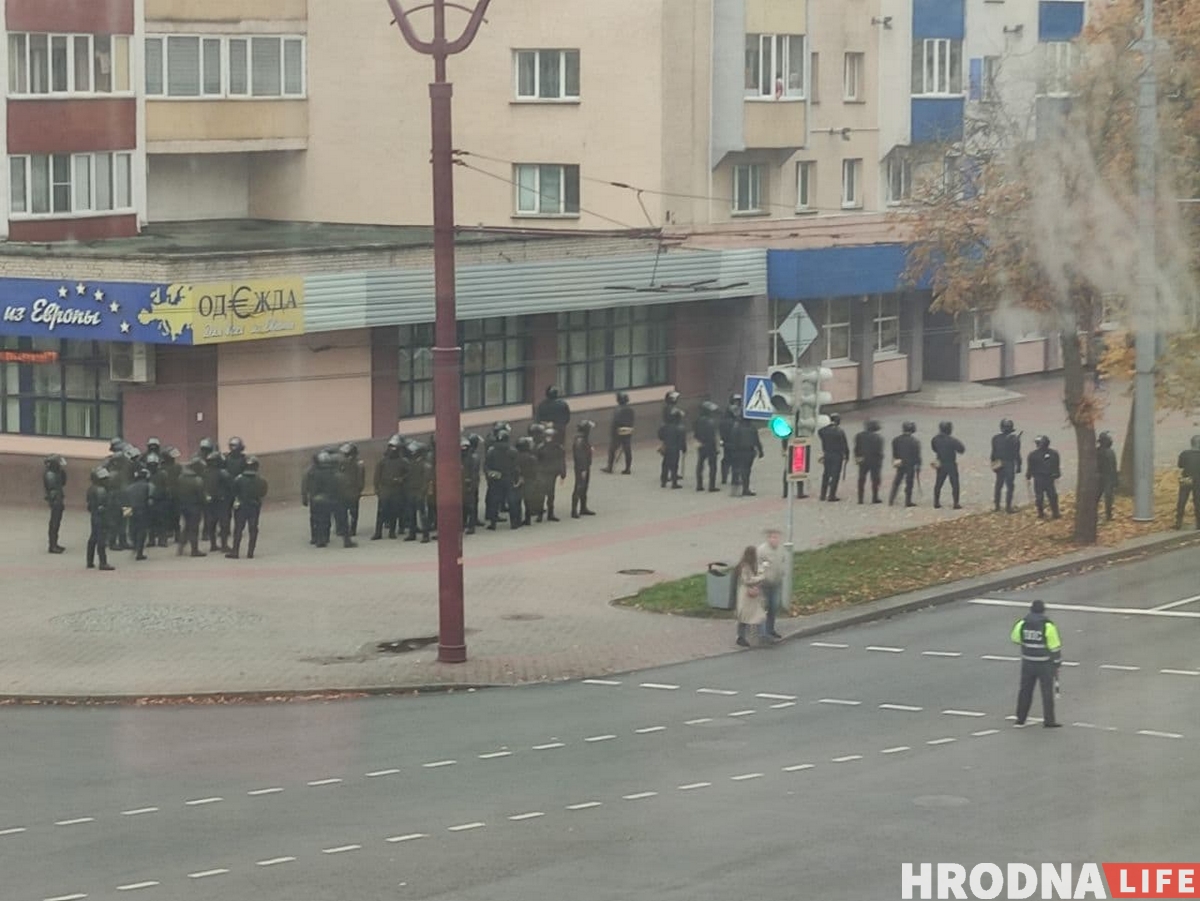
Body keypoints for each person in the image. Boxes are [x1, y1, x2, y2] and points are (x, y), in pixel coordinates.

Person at [1010, 600, 1062, 728]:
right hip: (1044, 664)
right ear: (1043, 610)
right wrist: (1057, 662)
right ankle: (1049, 720)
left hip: (1028, 662)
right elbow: (1054, 646)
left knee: (1025, 691)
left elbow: (1015, 638)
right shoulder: (1048, 626)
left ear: (1031, 610)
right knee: (1046, 692)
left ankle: (1020, 718)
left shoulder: (1022, 623)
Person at [226, 456, 268, 559]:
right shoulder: (261, 480)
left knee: (238, 529)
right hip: (254, 506)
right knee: (253, 529)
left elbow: (233, 491)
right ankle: (250, 552)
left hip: (241, 507)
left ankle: (235, 551)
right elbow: (263, 493)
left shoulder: (239, 479)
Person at [372, 435, 406, 540]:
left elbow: (408, 473)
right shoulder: (382, 461)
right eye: (391, 447)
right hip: (385, 489)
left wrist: (401, 479)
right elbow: (377, 476)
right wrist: (377, 489)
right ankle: (378, 532)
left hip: (396, 490)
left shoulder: (402, 461)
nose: (393, 450)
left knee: (394, 512)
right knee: (381, 512)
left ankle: (392, 532)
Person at [484, 429, 517, 530]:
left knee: (494, 501)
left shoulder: (491, 450)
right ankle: (514, 523)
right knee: (512, 500)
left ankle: (493, 523)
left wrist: (490, 474)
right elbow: (516, 466)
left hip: (496, 479)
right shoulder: (512, 451)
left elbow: (486, 466)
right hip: (509, 478)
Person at [756, 528, 786, 640]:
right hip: (764, 584)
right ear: (768, 538)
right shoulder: (762, 550)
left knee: (773, 607)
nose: (775, 540)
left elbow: (782, 562)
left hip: (776, 583)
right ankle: (762, 633)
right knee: (764, 608)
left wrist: (782, 573)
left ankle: (770, 629)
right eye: (772, 537)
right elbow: (758, 566)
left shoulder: (780, 549)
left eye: (777, 537)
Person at [734, 545, 765, 648]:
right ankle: (742, 637)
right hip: (746, 595)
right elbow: (747, 580)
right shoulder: (745, 567)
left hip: (748, 594)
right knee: (746, 617)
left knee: (752, 615)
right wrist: (759, 578)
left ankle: (758, 635)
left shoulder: (749, 565)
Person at [176, 457, 207, 557]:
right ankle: (194, 550)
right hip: (195, 507)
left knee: (186, 527)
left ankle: (181, 546)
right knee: (194, 528)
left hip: (183, 506)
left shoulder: (181, 477)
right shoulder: (198, 480)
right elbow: (201, 496)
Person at [85, 467, 116, 571]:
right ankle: (103, 562)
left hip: (94, 516)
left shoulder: (91, 488)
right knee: (101, 540)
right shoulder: (101, 490)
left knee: (93, 538)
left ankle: (89, 561)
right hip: (101, 517)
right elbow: (103, 506)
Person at [930, 421, 965, 509]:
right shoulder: (952, 440)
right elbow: (961, 449)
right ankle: (956, 503)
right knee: (954, 483)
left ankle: (936, 502)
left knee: (938, 483)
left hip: (940, 463)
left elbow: (934, 448)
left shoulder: (935, 439)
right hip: (951, 463)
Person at [991, 418, 1022, 513]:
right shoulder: (1014, 440)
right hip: (1009, 463)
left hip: (999, 462)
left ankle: (997, 506)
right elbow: (1017, 454)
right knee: (1010, 486)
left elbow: (993, 453)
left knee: (998, 484)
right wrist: (1019, 465)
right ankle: (1008, 507)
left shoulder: (995, 438)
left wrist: (993, 464)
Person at [1026, 436, 1061, 520]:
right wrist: (1057, 474)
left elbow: (1030, 467)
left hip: (1039, 478)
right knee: (1052, 495)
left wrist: (1028, 476)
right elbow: (1056, 466)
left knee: (1039, 496)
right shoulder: (1054, 453)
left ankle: (1041, 513)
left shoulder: (1033, 454)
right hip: (1049, 478)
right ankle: (1055, 513)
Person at [817, 413, 850, 501]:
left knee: (826, 474)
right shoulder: (839, 431)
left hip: (827, 454)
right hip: (837, 455)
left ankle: (823, 494)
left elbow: (819, 433)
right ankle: (831, 495)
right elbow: (844, 445)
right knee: (835, 475)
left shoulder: (823, 430)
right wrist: (847, 455)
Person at [125, 466, 155, 561]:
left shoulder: (129, 487)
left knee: (132, 529)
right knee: (142, 531)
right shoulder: (149, 486)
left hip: (130, 510)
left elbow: (125, 502)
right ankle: (139, 552)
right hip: (142, 510)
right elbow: (151, 501)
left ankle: (134, 545)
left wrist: (126, 515)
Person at [888, 421, 921, 507]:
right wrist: (918, 465)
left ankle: (891, 499)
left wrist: (896, 460)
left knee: (897, 481)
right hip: (910, 464)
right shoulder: (914, 441)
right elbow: (917, 455)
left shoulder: (896, 440)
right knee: (909, 483)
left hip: (900, 463)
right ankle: (908, 501)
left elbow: (894, 452)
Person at [731, 416, 764, 496]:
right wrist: (760, 451)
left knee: (741, 469)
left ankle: (740, 488)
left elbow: (734, 440)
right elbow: (757, 440)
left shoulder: (737, 428)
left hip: (740, 451)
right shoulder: (752, 427)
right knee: (747, 470)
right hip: (750, 451)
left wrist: (733, 451)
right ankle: (745, 488)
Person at [538, 427, 567, 521]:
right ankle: (540, 514)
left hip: (552, 473)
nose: (548, 439)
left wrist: (563, 474)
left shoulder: (558, 448)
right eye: (547, 437)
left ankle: (550, 513)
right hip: (543, 473)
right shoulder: (541, 447)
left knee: (551, 494)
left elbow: (562, 461)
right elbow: (537, 461)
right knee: (541, 493)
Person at [603, 391, 635, 474]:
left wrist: (612, 432)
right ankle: (628, 468)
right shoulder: (630, 409)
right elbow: (632, 421)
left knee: (612, 449)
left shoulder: (618, 409)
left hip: (618, 432)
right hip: (628, 431)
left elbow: (615, 422)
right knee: (627, 450)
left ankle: (610, 467)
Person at [854, 419, 884, 505]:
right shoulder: (878, 438)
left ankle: (860, 498)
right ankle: (875, 497)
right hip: (874, 461)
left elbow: (856, 448)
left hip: (862, 460)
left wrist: (857, 458)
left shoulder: (859, 436)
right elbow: (879, 452)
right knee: (875, 480)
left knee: (861, 479)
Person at [693, 400, 721, 492]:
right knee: (712, 466)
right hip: (710, 445)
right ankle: (711, 486)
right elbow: (713, 435)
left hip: (701, 444)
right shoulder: (711, 422)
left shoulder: (697, 420)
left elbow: (695, 434)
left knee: (700, 464)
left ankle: (699, 484)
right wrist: (717, 447)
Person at [571, 420, 596, 518]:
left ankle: (583, 507)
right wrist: (583, 469)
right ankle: (574, 510)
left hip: (585, 466)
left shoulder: (583, 439)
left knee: (584, 487)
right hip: (581, 468)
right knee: (579, 487)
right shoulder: (580, 440)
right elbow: (580, 456)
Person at [658, 407, 687, 489]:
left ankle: (663, 481)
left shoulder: (665, 426)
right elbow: (682, 440)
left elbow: (660, 436)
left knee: (665, 464)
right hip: (675, 449)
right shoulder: (680, 428)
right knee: (674, 465)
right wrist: (684, 448)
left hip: (666, 447)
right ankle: (674, 482)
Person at [1174, 435, 1200, 530]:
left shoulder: (1184, 453)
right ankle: (1199, 523)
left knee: (1182, 500)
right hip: (1198, 480)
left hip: (1186, 478)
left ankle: (1178, 522)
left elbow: (1180, 465)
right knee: (1198, 501)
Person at [43, 454, 67, 554]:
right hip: (56, 501)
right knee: (54, 523)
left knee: (56, 522)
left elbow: (63, 482)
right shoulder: (50, 475)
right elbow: (53, 490)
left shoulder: (56, 473)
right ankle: (52, 545)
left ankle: (55, 544)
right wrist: (56, 501)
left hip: (58, 499)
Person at [1096, 432, 1118, 522]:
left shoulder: (1110, 452)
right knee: (1099, 496)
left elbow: (1113, 466)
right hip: (1102, 477)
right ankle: (1105, 515)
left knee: (1108, 497)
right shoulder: (1099, 452)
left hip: (1107, 477)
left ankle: (1108, 515)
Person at [719, 396, 741, 486]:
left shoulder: (724, 419)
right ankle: (734, 479)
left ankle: (724, 478)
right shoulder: (735, 421)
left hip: (726, 442)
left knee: (726, 460)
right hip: (733, 443)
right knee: (735, 461)